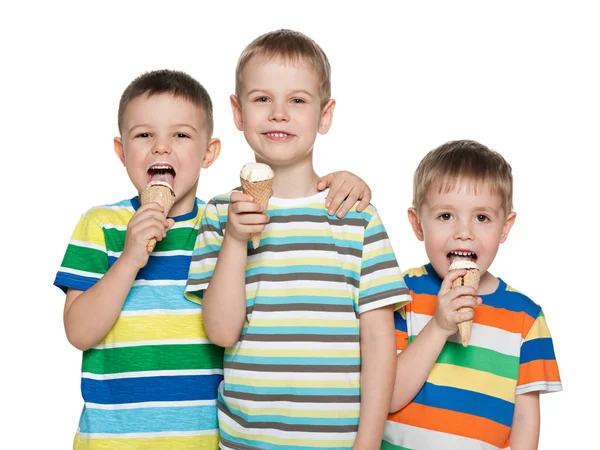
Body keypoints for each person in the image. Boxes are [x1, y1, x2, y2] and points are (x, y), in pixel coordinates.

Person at [53, 68, 375, 449]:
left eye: (181, 135)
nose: (161, 148)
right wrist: (128, 259)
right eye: (144, 135)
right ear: (121, 151)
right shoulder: (102, 225)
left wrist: (342, 183)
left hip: (206, 440)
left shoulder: (227, 223)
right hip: (112, 438)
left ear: (209, 153)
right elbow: (79, 333)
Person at [185, 29, 411, 450]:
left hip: (340, 443)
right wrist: (235, 240)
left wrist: (368, 442)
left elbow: (379, 341)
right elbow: (220, 331)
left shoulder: (356, 216)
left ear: (325, 116)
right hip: (246, 440)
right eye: (262, 99)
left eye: (298, 100)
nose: (278, 114)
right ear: (238, 112)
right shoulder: (219, 214)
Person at [383, 139, 562, 450]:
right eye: (445, 216)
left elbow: (524, 420)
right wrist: (438, 327)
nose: (464, 232)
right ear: (417, 224)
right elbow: (387, 395)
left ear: (505, 228)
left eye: (482, 218)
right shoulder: (400, 293)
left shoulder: (526, 318)